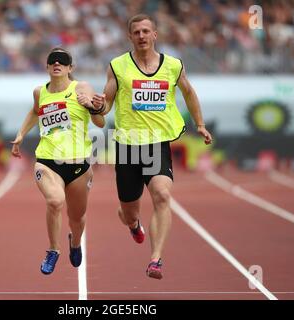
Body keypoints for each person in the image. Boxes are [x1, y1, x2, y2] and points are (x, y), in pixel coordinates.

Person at [91, 14, 212, 280]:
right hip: (127, 146)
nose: (142, 36)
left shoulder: (173, 66)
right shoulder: (118, 66)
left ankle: (155, 259)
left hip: (157, 143)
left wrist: (200, 124)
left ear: (155, 34)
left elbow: (189, 92)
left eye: (147, 31)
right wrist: (98, 106)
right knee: (129, 210)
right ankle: (133, 223)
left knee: (162, 195)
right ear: (130, 37)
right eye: (137, 32)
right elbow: (107, 104)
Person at [11, 47, 105, 275]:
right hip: (47, 160)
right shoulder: (39, 92)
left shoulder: (81, 88)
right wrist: (21, 134)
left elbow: (100, 122)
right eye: (52, 60)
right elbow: (35, 111)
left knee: (77, 217)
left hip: (78, 165)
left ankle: (75, 242)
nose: (57, 64)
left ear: (70, 68)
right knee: (54, 201)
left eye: (62, 61)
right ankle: (53, 250)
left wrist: (92, 105)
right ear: (47, 67)